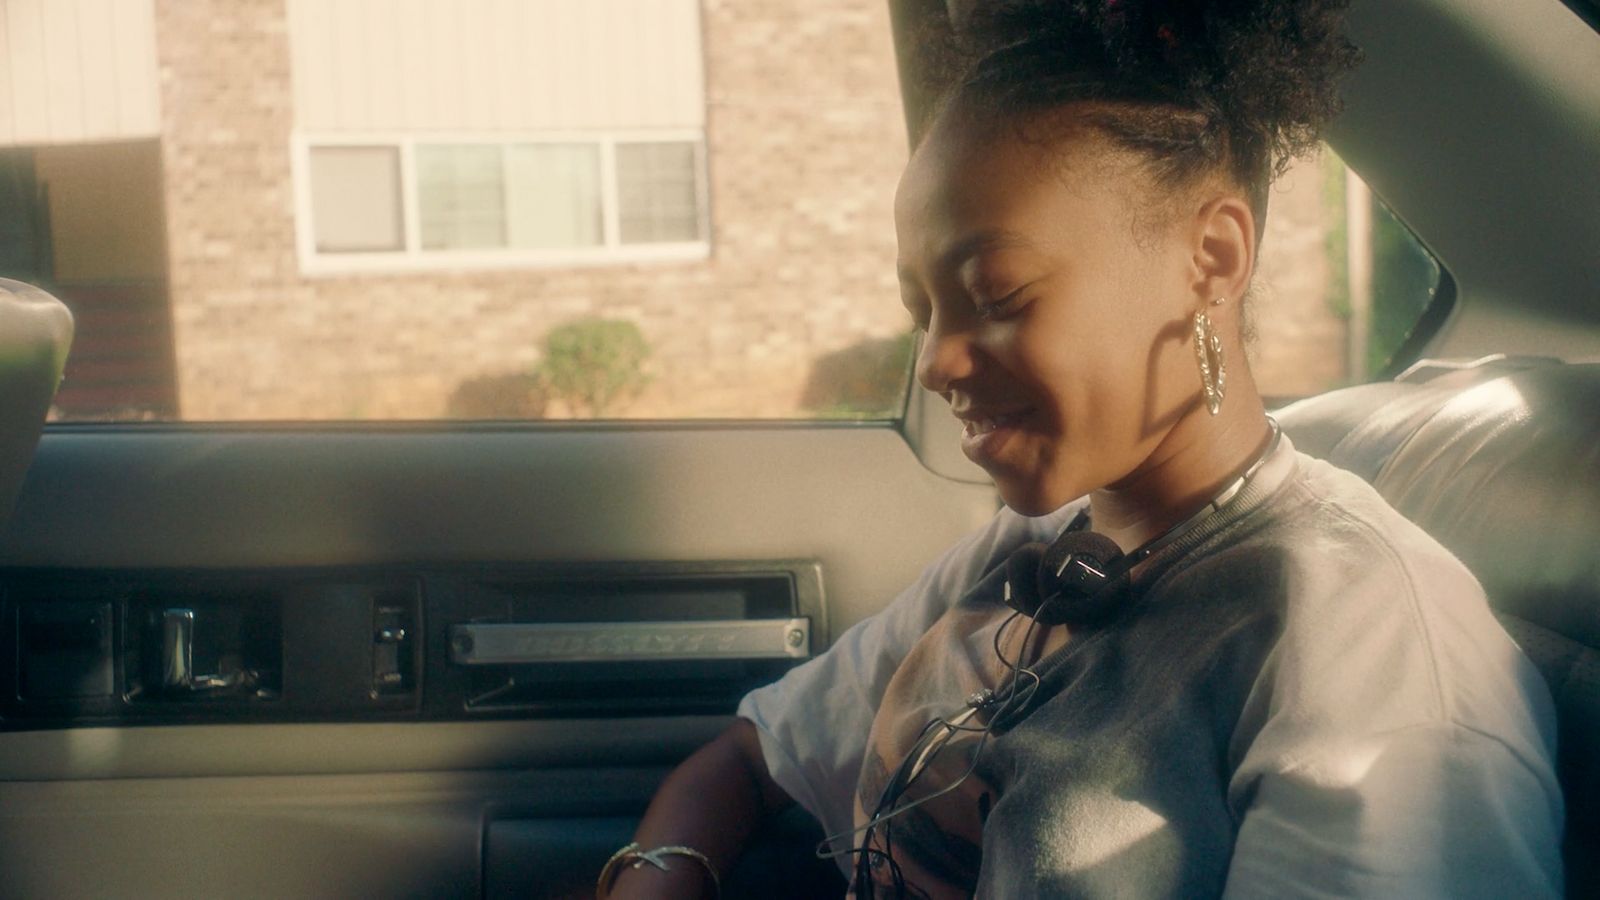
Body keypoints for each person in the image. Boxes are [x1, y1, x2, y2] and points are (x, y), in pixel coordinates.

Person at [597, 1, 1565, 896]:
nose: (937, 361)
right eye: (921, 311)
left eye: (1000, 296)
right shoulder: (1030, 555)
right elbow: (750, 758)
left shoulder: (1367, 652)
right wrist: (658, 874)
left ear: (1211, 260)